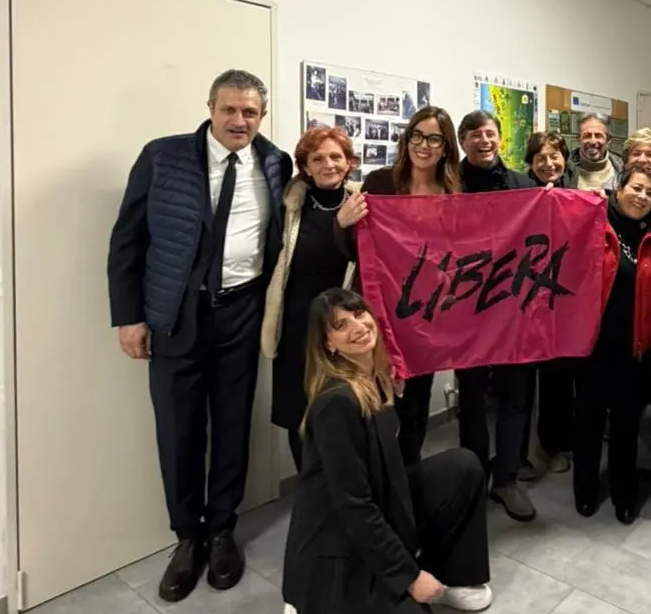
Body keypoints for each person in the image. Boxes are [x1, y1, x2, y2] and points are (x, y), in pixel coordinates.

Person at [107, 69, 292, 602]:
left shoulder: (275, 163)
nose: (240, 121)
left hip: (242, 314)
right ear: (210, 107)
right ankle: (187, 537)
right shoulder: (162, 157)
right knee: (179, 431)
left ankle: (223, 530)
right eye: (230, 109)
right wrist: (130, 316)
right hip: (177, 317)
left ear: (262, 115)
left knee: (233, 425)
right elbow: (128, 240)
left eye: (251, 112)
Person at [282, 289, 492, 614]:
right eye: (340, 325)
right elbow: (353, 505)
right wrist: (408, 576)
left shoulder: (375, 376)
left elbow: (391, 465)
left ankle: (452, 574)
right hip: (337, 541)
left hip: (375, 505)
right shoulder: (336, 403)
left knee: (462, 467)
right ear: (328, 343)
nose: (358, 326)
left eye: (359, 313)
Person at [358, 106, 464, 466]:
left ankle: (408, 480)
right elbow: (357, 249)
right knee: (378, 399)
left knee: (416, 400)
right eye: (417, 135)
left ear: (446, 147)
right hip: (380, 308)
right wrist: (342, 223)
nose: (424, 145)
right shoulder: (379, 183)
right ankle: (379, 482)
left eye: (434, 138)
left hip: (424, 313)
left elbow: (459, 251)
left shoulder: (453, 193)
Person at [262, 126, 366, 472]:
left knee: (345, 410)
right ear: (304, 166)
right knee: (301, 416)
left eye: (336, 156)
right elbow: (297, 256)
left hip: (346, 326)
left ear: (349, 162)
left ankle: (345, 492)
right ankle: (312, 495)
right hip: (298, 326)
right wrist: (337, 223)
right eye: (317, 158)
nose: (328, 164)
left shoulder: (362, 202)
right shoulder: (291, 204)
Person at [574, 168, 651, 524]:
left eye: (649, 191)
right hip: (591, 347)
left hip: (635, 351)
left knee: (626, 426)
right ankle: (585, 490)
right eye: (636, 187)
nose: (641, 196)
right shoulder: (592, 221)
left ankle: (624, 493)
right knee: (588, 422)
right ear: (619, 188)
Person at [454, 110, 539, 521]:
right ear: (462, 142)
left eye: (490, 133)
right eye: (474, 135)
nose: (483, 140)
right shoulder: (448, 186)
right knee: (470, 399)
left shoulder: (525, 185)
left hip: (513, 310)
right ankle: (471, 477)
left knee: (514, 398)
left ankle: (506, 479)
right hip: (465, 311)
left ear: (500, 139)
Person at [517, 131, 577, 482]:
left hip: (560, 298)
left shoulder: (575, 191)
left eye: (555, 156)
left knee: (557, 379)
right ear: (530, 162)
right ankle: (520, 454)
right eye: (540, 157)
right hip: (523, 300)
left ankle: (552, 445)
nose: (549, 163)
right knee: (522, 382)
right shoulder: (519, 192)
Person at [568, 113, 624, 193]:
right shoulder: (566, 170)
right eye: (587, 136)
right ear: (579, 139)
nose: (592, 141)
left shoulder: (621, 169)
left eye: (598, 135)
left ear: (608, 140)